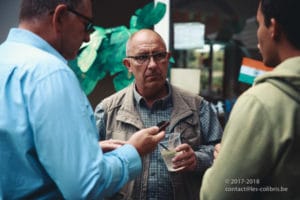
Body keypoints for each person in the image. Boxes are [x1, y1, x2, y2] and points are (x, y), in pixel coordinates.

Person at [0, 0, 165, 199]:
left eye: (159, 56)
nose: (88, 38)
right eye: (86, 25)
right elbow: (88, 186)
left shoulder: (6, 59)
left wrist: (85, 152)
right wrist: (133, 151)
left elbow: (20, 154)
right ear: (60, 17)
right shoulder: (51, 74)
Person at [94, 29, 223, 200]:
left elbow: (221, 155)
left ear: (168, 59)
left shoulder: (197, 107)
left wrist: (196, 159)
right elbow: (90, 166)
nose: (153, 64)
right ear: (128, 65)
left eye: (159, 55)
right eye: (142, 57)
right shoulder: (108, 111)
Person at [200, 0, 300, 199]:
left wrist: (222, 165)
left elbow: (218, 194)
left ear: (274, 28)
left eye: (258, 24)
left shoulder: (261, 103)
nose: (257, 35)